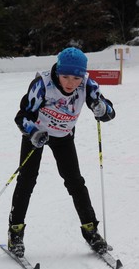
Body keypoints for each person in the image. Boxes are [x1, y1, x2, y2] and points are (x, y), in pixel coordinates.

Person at [8, 47, 116, 258]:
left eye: (76, 78)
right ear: (58, 72)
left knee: (75, 182)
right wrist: (33, 132)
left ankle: (90, 230)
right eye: (65, 76)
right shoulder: (43, 84)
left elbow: (108, 111)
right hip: (37, 135)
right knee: (27, 180)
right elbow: (22, 116)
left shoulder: (87, 84)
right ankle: (15, 233)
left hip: (63, 136)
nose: (70, 83)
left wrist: (102, 109)